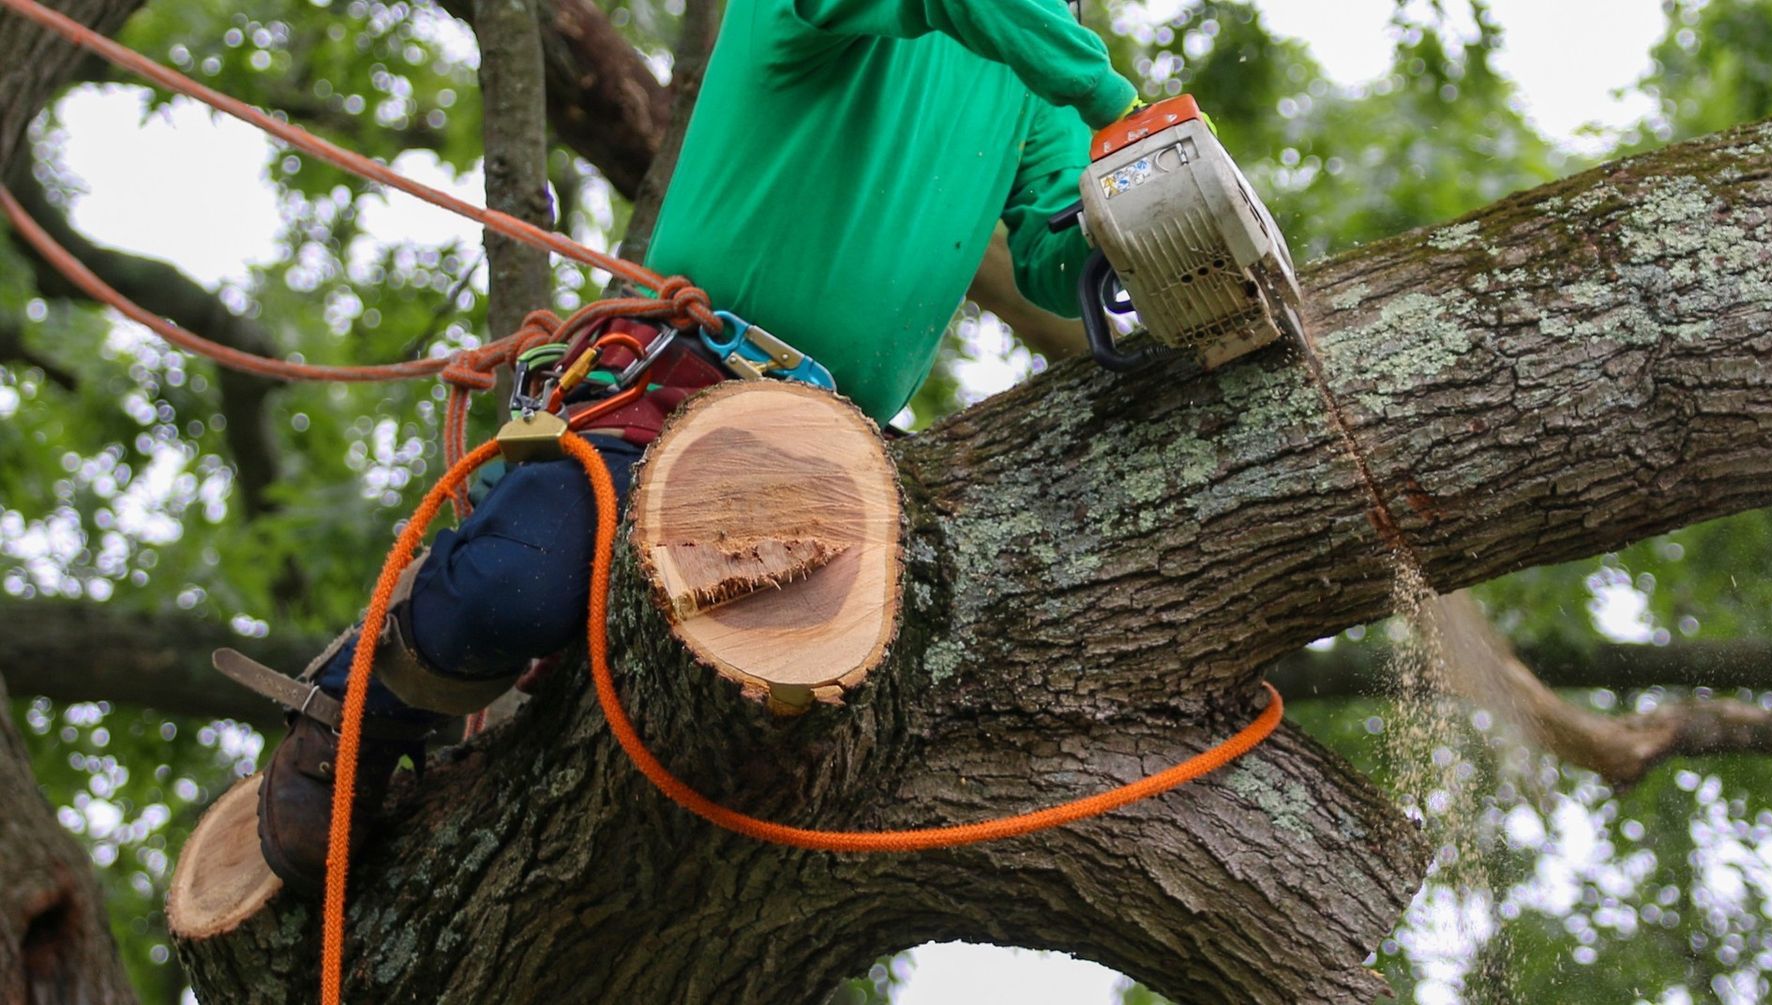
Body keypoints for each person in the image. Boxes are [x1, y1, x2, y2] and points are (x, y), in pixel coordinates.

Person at [225, 0, 1141, 894]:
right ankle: (360, 704)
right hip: (676, 386)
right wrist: (1123, 110)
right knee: (516, 587)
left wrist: (1136, 215)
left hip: (834, 451)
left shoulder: (1039, 72)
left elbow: (1055, 255)